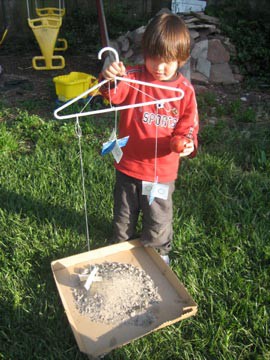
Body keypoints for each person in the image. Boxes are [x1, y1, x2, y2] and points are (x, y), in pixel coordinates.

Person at [99, 13, 199, 264]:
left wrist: (184, 143)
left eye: (167, 61)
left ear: (182, 59)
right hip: (128, 167)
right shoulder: (132, 77)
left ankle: (158, 254)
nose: (158, 66)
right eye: (152, 57)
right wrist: (111, 78)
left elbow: (188, 126)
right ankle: (121, 248)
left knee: (158, 218)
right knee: (123, 215)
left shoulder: (183, 91)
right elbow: (112, 94)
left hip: (160, 171)